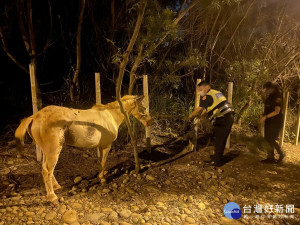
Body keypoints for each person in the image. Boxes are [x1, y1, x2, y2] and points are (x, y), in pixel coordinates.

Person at [188, 80, 234, 166]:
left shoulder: (207, 96)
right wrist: (200, 116)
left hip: (222, 118)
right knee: (221, 139)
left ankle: (216, 162)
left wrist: (190, 116)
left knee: (219, 140)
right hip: (228, 117)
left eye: (200, 89)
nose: (200, 92)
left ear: (206, 87)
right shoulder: (216, 93)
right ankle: (218, 157)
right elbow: (207, 109)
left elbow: (200, 108)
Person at [260, 81, 284, 163]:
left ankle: (280, 154)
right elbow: (268, 105)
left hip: (275, 121)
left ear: (272, 88)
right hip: (269, 121)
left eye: (267, 89)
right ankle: (270, 158)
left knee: (271, 139)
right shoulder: (271, 95)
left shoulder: (278, 96)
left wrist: (265, 117)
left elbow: (277, 111)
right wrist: (262, 97)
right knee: (268, 139)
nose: (266, 90)